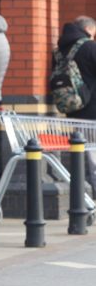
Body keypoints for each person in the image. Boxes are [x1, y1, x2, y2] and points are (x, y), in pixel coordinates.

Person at [54, 16, 96, 196]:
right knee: (93, 158)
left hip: (72, 111)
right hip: (93, 111)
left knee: (81, 158)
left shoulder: (59, 51)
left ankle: (82, 199)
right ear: (87, 30)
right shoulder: (90, 47)